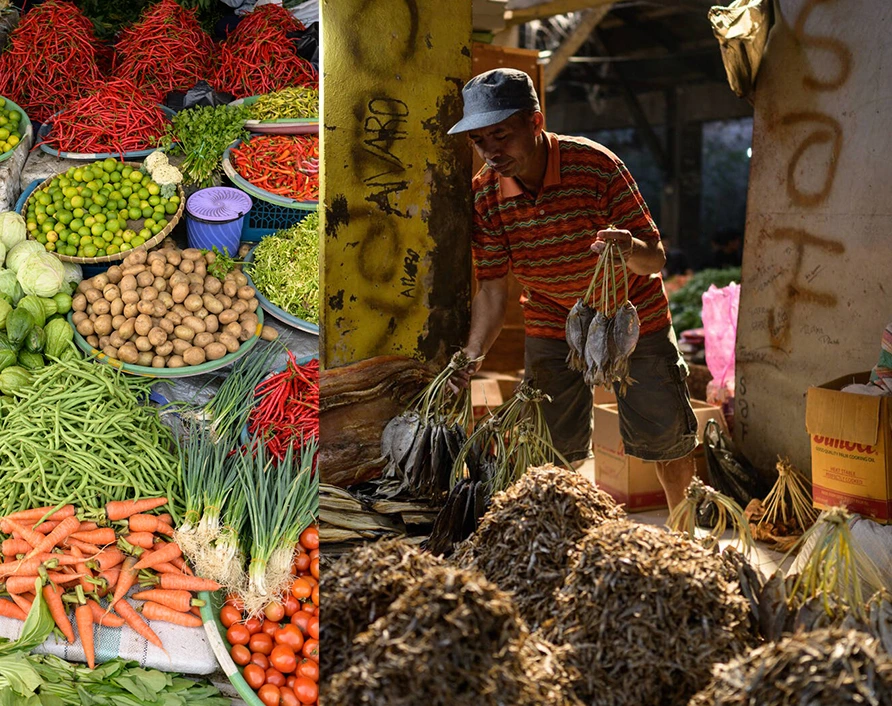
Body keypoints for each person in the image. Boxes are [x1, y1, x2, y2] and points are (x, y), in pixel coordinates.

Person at [448, 68, 699, 511]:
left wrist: (626, 248)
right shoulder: (485, 196)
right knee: (550, 445)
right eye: (479, 141)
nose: (491, 151)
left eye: (501, 135)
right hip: (552, 321)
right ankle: (563, 532)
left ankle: (684, 531)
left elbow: (655, 259)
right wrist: (471, 356)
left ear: (536, 122)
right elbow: (491, 289)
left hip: (628, 315)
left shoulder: (596, 167)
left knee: (665, 435)